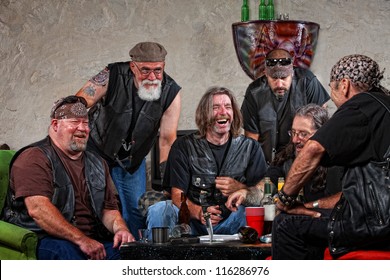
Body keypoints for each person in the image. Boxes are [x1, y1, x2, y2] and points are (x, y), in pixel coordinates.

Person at [272, 54, 390, 259]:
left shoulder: (359, 106)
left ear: (344, 85)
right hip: (380, 220)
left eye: (332, 88)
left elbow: (313, 149)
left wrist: (284, 200)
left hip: (375, 224)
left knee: (285, 223)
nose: (333, 97)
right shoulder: (384, 105)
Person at [3, 96, 135, 260]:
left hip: (92, 240)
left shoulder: (98, 163)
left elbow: (108, 210)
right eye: (74, 122)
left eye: (86, 123)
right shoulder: (34, 157)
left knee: (132, 257)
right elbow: (38, 209)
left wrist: (121, 229)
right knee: (68, 255)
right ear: (55, 125)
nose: (82, 128)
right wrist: (82, 240)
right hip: (45, 238)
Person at [75, 42, 181, 239]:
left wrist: (169, 181)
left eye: (158, 70)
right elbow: (82, 100)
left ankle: (133, 254)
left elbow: (167, 139)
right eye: (145, 70)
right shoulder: (112, 75)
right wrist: (70, 118)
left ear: (163, 66)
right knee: (92, 202)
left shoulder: (171, 92)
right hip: (97, 150)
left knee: (135, 210)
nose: (152, 77)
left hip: (132, 160)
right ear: (133, 66)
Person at [147, 86, 268, 237]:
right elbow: (177, 194)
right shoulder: (184, 146)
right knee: (159, 210)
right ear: (204, 114)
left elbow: (263, 189)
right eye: (215, 107)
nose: (223, 112)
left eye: (228, 107)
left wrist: (243, 190)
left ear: (234, 113)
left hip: (233, 221)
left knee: (251, 210)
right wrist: (199, 212)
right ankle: (158, 258)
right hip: (191, 224)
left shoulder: (250, 147)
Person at [227, 103, 342, 210]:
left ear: (321, 134)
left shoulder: (337, 161)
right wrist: (245, 194)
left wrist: (308, 207)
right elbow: (264, 190)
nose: (295, 140)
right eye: (293, 133)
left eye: (303, 134)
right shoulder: (286, 159)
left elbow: (345, 199)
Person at [241, 48, 330, 164]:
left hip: (302, 160)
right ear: (266, 74)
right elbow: (251, 139)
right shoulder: (254, 92)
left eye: (283, 78)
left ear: (292, 73)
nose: (279, 84)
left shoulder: (307, 82)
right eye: (274, 78)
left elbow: (322, 127)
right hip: (266, 162)